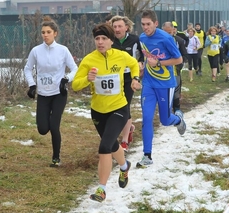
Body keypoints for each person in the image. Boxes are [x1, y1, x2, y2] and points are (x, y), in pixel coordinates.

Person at [72, 23, 142, 202]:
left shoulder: (121, 56)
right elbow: (75, 85)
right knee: (111, 145)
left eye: (104, 38)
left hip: (119, 108)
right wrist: (87, 79)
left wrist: (135, 79)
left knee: (104, 147)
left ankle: (101, 189)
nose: (100, 42)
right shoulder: (89, 60)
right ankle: (124, 166)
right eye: (97, 39)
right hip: (98, 112)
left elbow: (134, 64)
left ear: (111, 41)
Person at [24, 16, 78, 167]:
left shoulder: (62, 50)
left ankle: (56, 158)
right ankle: (47, 126)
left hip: (59, 93)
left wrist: (66, 79)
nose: (45, 35)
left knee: (54, 126)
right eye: (43, 32)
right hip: (43, 94)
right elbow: (28, 69)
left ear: (55, 33)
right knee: (42, 129)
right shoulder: (36, 51)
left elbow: (75, 68)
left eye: (48, 32)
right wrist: (32, 85)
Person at [137, 10, 185, 168]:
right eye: (143, 24)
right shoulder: (142, 38)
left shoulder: (165, 38)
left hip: (165, 84)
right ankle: (147, 155)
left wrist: (158, 63)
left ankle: (178, 119)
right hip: (149, 84)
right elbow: (146, 57)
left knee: (165, 120)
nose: (145, 27)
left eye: (148, 24)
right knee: (147, 118)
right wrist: (142, 67)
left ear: (155, 24)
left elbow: (179, 59)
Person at [110, 15, 144, 153]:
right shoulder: (110, 40)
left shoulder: (135, 39)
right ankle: (128, 128)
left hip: (130, 77)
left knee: (125, 107)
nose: (117, 29)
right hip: (114, 77)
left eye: (120, 26)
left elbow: (143, 54)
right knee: (115, 106)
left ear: (126, 27)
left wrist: (141, 62)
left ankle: (124, 141)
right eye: (115, 27)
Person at [162, 21, 187, 116]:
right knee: (164, 92)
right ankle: (165, 111)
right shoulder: (158, 41)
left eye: (169, 32)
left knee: (176, 91)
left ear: (173, 30)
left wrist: (180, 63)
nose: (167, 34)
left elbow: (184, 54)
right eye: (165, 32)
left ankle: (177, 109)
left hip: (175, 71)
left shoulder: (179, 40)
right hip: (162, 71)